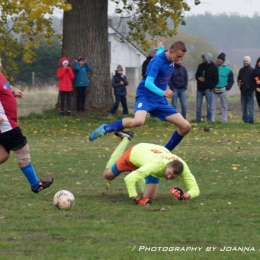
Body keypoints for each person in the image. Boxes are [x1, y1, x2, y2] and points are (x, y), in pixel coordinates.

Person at [89, 41, 191, 152]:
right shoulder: (158, 62)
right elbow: (148, 83)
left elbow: (162, 51)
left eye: (181, 57)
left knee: (186, 126)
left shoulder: (168, 55)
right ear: (171, 52)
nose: (179, 59)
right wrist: (163, 92)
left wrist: (160, 46)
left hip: (159, 100)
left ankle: (163, 153)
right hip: (145, 96)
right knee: (138, 121)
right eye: (178, 56)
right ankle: (106, 128)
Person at [103, 131, 200, 205]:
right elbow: (129, 179)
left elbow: (195, 189)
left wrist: (185, 196)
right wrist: (135, 198)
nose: (169, 177)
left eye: (173, 176)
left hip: (153, 155)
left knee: (148, 198)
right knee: (108, 175)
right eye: (169, 173)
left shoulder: (183, 167)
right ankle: (125, 138)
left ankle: (138, 172)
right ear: (167, 166)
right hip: (135, 153)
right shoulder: (156, 165)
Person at [0, 72, 53, 193]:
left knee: (2, 155)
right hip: (6, 125)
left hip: (6, 124)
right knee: (22, 150)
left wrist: (13, 93)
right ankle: (35, 184)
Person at [195, 53, 218, 122]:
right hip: (200, 89)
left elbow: (216, 79)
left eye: (204, 57)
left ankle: (209, 120)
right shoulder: (200, 66)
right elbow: (196, 75)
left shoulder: (214, 67)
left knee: (209, 106)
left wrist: (210, 87)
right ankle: (198, 120)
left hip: (208, 89)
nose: (203, 59)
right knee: (198, 106)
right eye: (203, 57)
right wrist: (198, 78)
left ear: (208, 58)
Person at [211, 53, 234, 122]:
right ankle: (212, 120)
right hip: (214, 90)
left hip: (223, 90)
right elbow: (211, 77)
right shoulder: (214, 67)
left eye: (220, 59)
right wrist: (211, 86)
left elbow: (231, 80)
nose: (219, 60)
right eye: (218, 59)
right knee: (213, 106)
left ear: (223, 60)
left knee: (224, 106)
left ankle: (224, 120)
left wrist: (227, 87)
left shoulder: (228, 69)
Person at [237, 56, 255, 123]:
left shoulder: (252, 70)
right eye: (244, 61)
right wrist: (239, 82)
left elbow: (254, 81)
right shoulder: (241, 70)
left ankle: (251, 120)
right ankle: (245, 120)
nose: (245, 62)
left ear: (249, 62)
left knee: (250, 107)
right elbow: (239, 78)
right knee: (243, 107)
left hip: (250, 91)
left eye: (246, 61)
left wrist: (251, 89)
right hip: (243, 91)